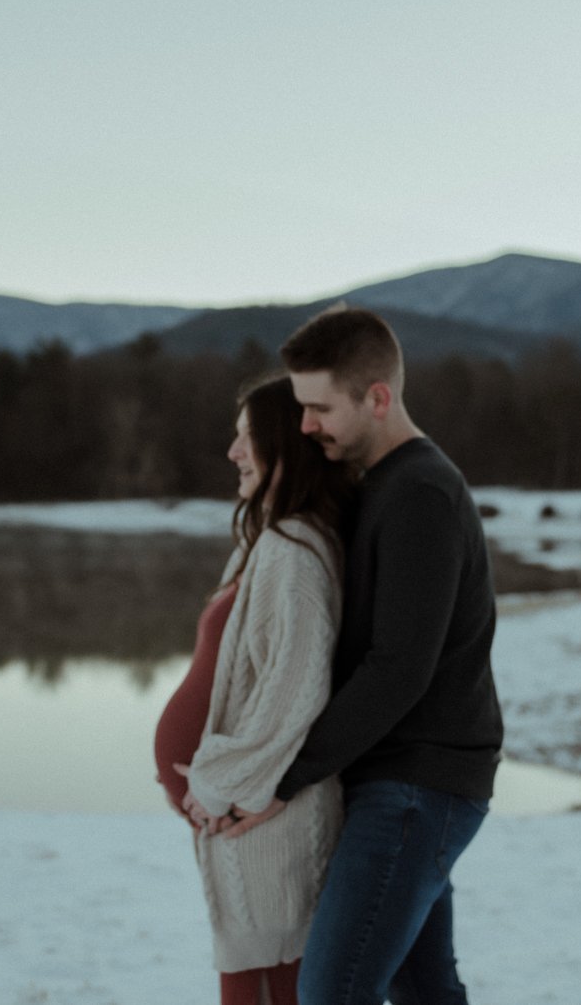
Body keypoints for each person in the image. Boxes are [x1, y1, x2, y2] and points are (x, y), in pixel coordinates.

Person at [224, 305, 503, 1005]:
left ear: (378, 398)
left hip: (418, 788)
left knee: (332, 994)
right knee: (426, 989)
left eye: (320, 408)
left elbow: (399, 669)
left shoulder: (420, 495)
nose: (308, 424)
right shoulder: (384, 485)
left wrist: (281, 779)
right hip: (406, 783)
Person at [153, 375, 355, 1005]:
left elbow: (294, 693)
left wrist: (217, 782)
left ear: (279, 446)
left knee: (274, 987)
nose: (233, 454)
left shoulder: (293, 553)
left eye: (245, 440)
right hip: (238, 810)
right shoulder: (265, 541)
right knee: (251, 978)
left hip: (261, 815)